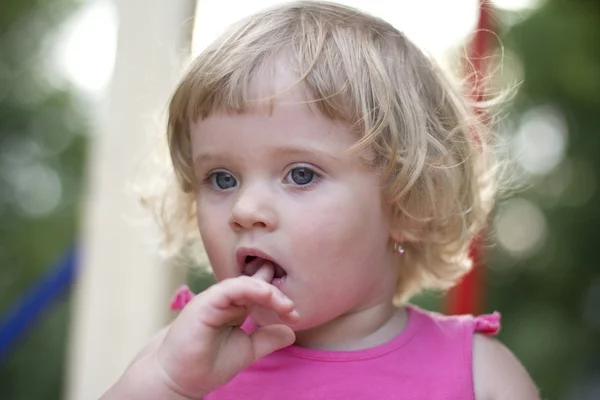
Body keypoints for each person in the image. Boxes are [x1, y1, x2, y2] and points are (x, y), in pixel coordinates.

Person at [102, 1, 540, 399]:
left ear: (408, 204)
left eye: (300, 174)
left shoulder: (478, 375)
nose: (244, 210)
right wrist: (168, 383)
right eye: (221, 178)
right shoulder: (183, 358)